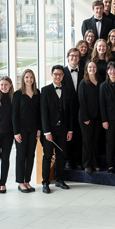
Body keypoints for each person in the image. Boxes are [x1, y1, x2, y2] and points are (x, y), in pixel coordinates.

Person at [40, 65, 74, 193]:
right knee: (47, 156)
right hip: (50, 130)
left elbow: (70, 112)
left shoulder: (68, 90)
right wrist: (46, 132)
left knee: (61, 155)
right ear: (51, 74)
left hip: (63, 129)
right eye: (56, 74)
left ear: (63, 76)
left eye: (60, 74)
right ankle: (45, 182)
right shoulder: (45, 90)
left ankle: (59, 180)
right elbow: (43, 113)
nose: (58, 76)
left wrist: (70, 130)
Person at [12, 70, 40, 193]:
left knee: (31, 155)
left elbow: (39, 113)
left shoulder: (37, 93)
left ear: (34, 79)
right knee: (21, 156)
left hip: (33, 129)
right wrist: (16, 132)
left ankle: (27, 181)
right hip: (21, 130)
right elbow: (14, 115)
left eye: (31, 77)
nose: (29, 79)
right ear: (23, 79)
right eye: (27, 77)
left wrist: (39, 129)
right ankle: (20, 182)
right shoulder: (18, 94)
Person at [78, 60, 102, 173]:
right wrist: (85, 117)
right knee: (87, 141)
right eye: (90, 67)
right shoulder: (83, 83)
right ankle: (87, 164)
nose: (92, 69)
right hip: (86, 117)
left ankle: (95, 162)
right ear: (86, 69)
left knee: (95, 141)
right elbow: (81, 102)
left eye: (94, 67)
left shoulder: (100, 81)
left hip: (97, 116)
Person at [63, 48, 84, 171]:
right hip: (66, 109)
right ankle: (67, 161)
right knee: (67, 136)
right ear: (68, 57)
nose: (74, 58)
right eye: (72, 56)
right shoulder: (63, 72)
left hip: (80, 109)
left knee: (78, 136)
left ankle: (78, 161)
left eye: (76, 56)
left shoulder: (83, 72)